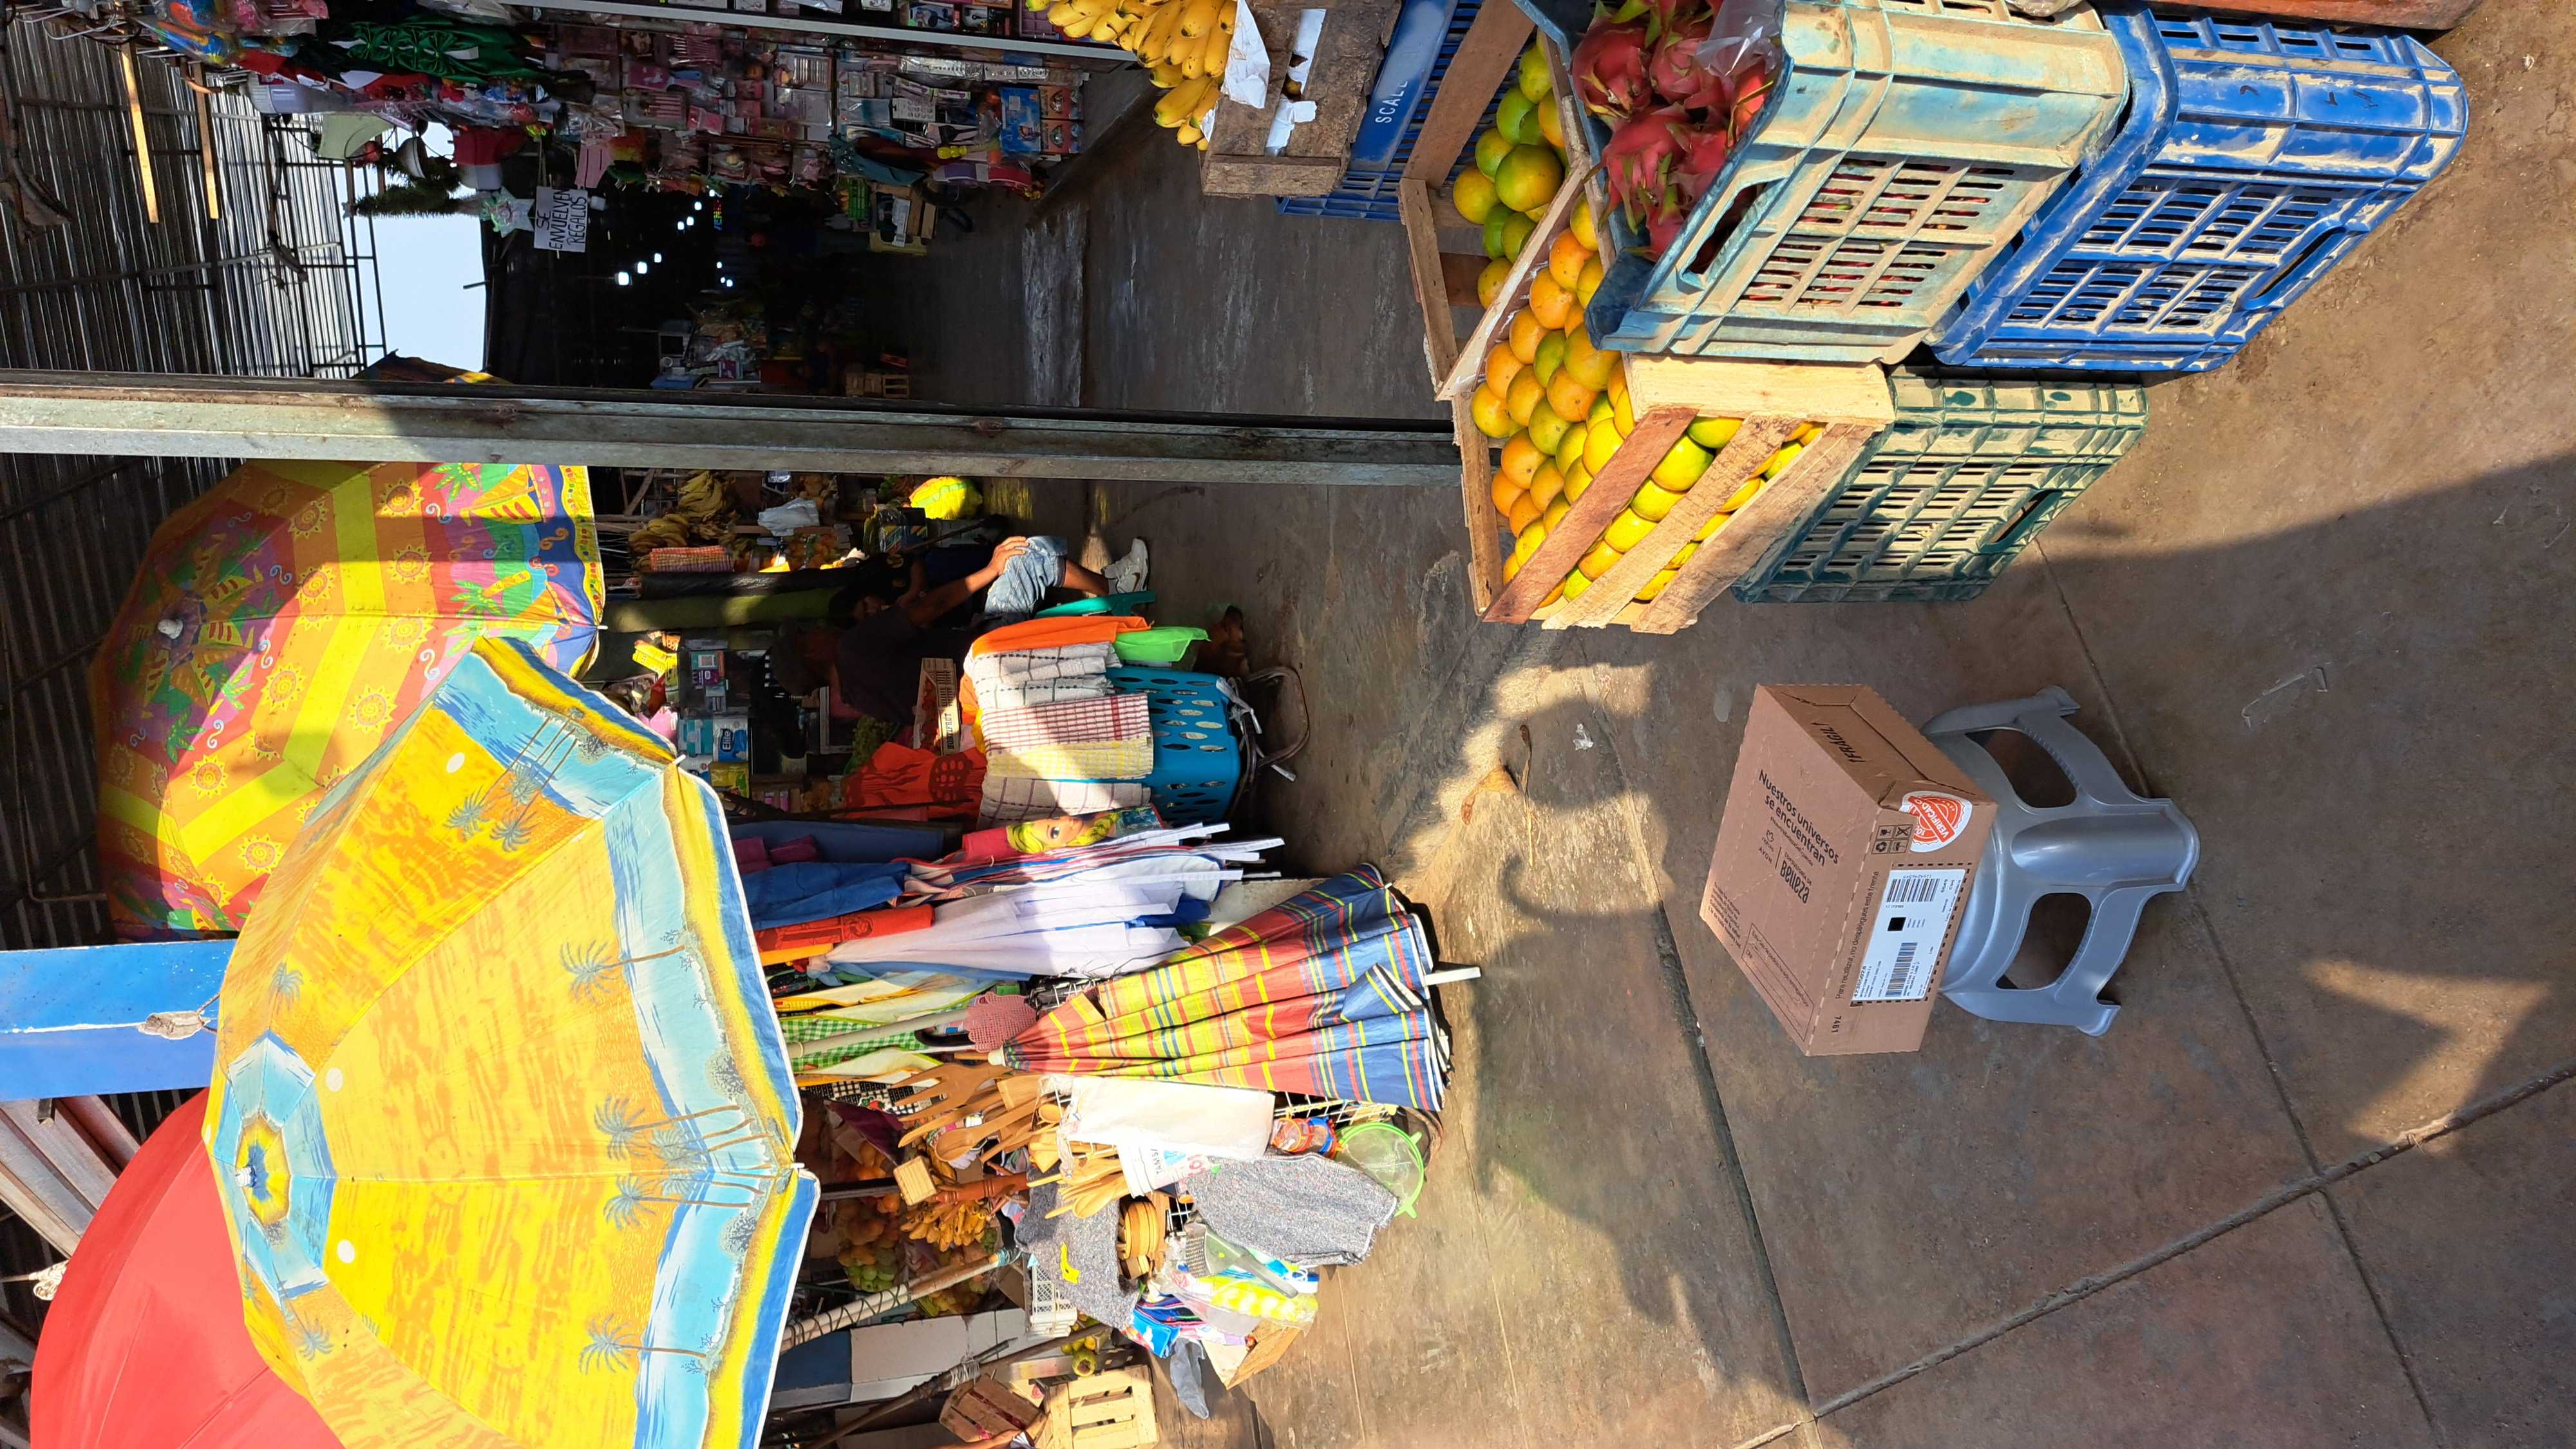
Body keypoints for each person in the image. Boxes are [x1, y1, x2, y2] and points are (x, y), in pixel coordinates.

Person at [791, 535, 1110, 739]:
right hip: (990, 653)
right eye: (809, 635)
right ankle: (1117, 590)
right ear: (810, 653)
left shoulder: (858, 700)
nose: (818, 630)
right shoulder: (851, 647)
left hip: (986, 700)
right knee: (1023, 555)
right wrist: (991, 569)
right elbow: (933, 606)